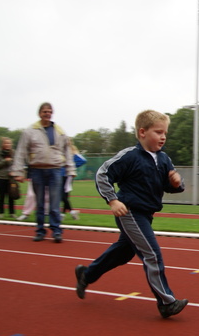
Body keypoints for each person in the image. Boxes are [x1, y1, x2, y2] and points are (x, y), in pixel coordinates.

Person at [74, 109, 188, 319]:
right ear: (142, 132)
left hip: (147, 214)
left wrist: (176, 183)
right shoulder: (130, 156)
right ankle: (166, 302)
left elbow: (170, 185)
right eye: (158, 132)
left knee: (124, 253)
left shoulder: (164, 160)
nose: (163, 136)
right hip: (129, 212)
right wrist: (113, 200)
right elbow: (103, 174)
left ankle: (86, 274)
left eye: (165, 133)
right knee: (152, 254)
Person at [10, 102, 75, 243]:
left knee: (55, 204)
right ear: (39, 113)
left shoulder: (60, 131)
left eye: (49, 111)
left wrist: (71, 168)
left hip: (55, 170)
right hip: (37, 170)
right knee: (39, 204)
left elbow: (67, 151)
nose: (47, 114)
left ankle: (56, 231)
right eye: (45, 111)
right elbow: (21, 151)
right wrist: (18, 171)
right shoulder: (30, 131)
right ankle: (40, 231)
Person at [61, 140, 86, 220]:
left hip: (67, 176)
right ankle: (63, 214)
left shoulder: (71, 151)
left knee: (62, 195)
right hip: (60, 175)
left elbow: (83, 160)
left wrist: (72, 166)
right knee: (64, 196)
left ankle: (71, 211)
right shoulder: (61, 150)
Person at [0, 137, 16, 217]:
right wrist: (5, 161)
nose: (7, 145)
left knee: (11, 196)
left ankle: (12, 213)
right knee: (1, 196)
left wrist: (14, 171)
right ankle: (1, 212)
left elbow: (17, 163)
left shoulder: (13, 153)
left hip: (11, 178)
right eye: (6, 143)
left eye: (9, 143)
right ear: (2, 144)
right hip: (1, 178)